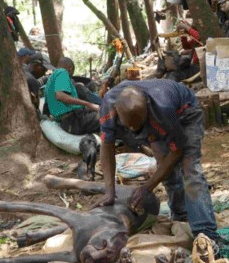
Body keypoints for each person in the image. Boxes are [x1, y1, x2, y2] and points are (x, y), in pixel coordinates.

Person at [92, 80, 219, 242]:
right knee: (167, 174)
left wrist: (147, 187)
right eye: (129, 126)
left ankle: (206, 235)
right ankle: (181, 217)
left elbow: (177, 151)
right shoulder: (107, 107)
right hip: (154, 120)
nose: (132, 131)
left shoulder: (164, 108)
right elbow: (107, 146)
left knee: (190, 170)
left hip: (184, 113)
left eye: (137, 126)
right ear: (116, 111)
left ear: (147, 109)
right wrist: (109, 191)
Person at [45, 56, 100, 135]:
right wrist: (88, 104)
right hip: (73, 122)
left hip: (68, 122)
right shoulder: (62, 72)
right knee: (107, 117)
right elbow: (60, 96)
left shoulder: (50, 81)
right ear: (70, 69)